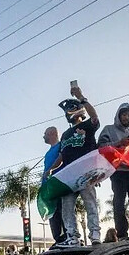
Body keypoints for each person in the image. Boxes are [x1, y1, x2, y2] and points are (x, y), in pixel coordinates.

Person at [47, 84, 101, 246]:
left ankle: (95, 234)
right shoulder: (66, 134)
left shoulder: (88, 126)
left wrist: (81, 97)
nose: (68, 112)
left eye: (71, 109)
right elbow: (62, 155)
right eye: (67, 110)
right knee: (67, 206)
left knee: (90, 203)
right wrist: (51, 169)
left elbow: (94, 115)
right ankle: (72, 236)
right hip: (69, 174)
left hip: (86, 172)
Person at [98, 103, 129, 240]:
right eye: (124, 114)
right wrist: (119, 142)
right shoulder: (108, 129)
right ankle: (122, 232)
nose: (126, 117)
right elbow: (101, 147)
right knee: (119, 202)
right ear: (119, 115)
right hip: (118, 170)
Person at [42, 126, 65, 243]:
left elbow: (63, 160)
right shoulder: (47, 153)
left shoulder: (61, 146)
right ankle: (58, 239)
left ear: (52, 133)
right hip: (48, 189)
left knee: (61, 210)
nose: (43, 136)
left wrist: (51, 170)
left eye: (45, 134)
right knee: (52, 214)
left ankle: (66, 236)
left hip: (58, 185)